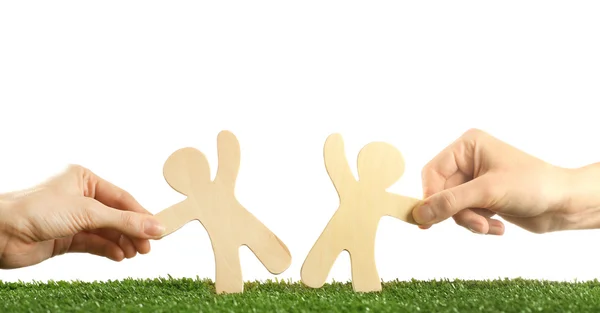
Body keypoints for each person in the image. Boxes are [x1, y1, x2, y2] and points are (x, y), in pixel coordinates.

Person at [2, 128, 599, 269]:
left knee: (328, 252)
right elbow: (169, 215)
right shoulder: (207, 189)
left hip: (334, 219)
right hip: (249, 216)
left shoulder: (372, 186)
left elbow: (398, 202)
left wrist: (572, 196)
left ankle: (311, 271)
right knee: (259, 252)